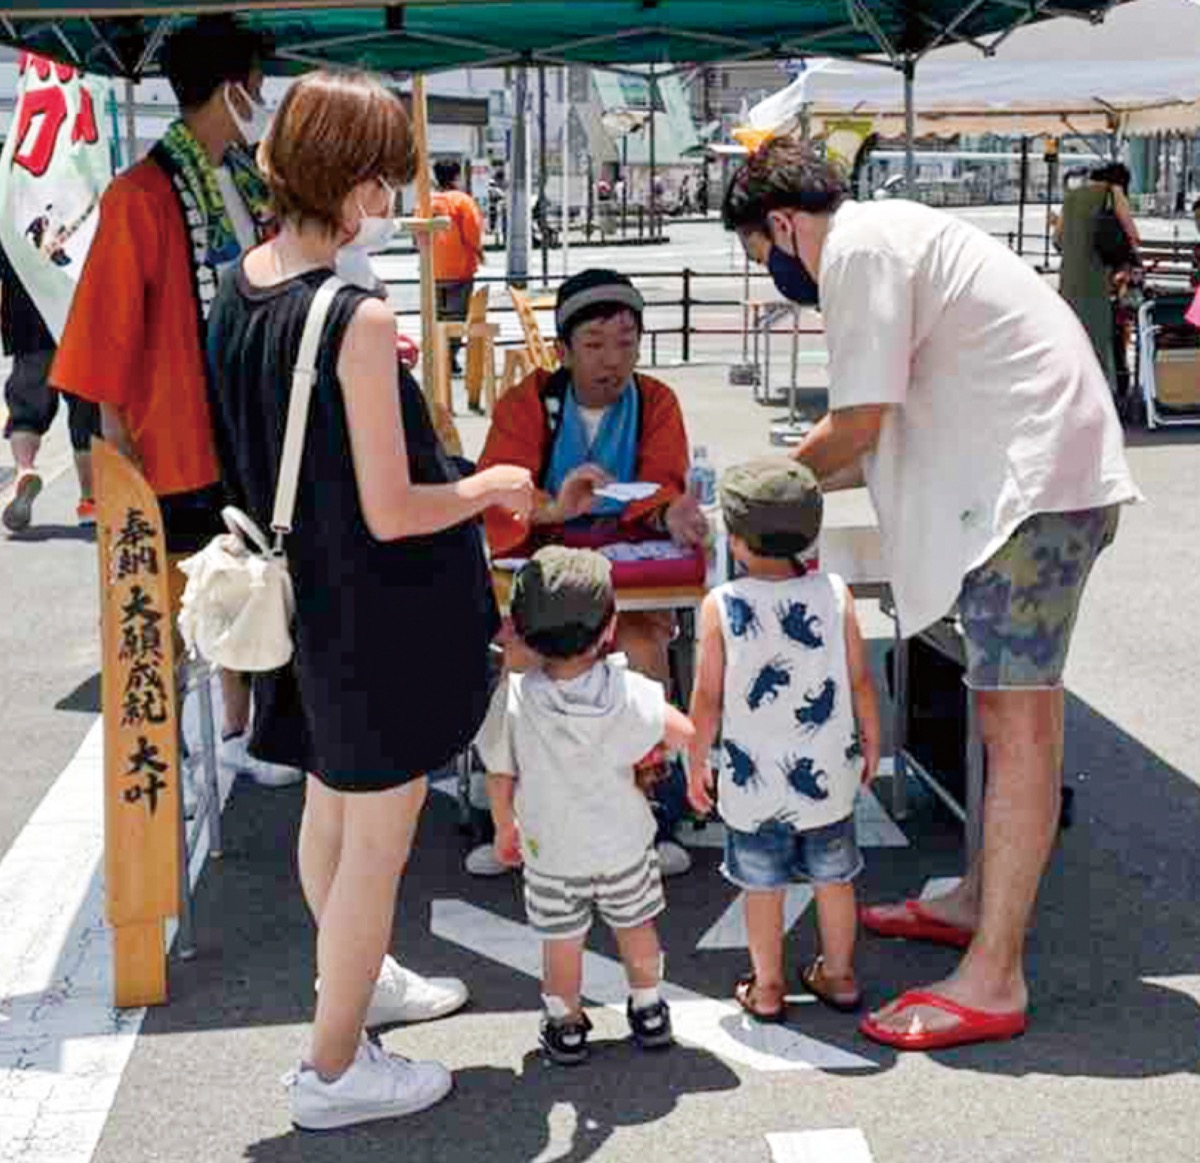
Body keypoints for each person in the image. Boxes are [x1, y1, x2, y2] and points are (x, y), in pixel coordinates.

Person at [723, 139, 1140, 1051]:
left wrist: (744, 496)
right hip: (1037, 484)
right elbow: (875, 427)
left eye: (763, 254)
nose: (774, 272)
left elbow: (858, 423)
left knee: (1018, 728)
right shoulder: (890, 233)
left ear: (784, 225)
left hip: (1035, 492)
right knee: (1000, 713)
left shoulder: (860, 249)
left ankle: (995, 975)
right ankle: (975, 901)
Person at [205, 69, 534, 1129]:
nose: (395, 198)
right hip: (374, 604)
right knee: (377, 835)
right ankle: (334, 1068)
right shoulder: (351, 312)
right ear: (349, 180)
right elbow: (393, 507)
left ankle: (363, 985)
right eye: (385, 178)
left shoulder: (243, 281)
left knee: (331, 807)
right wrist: (488, 485)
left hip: (306, 599)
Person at [52, 16, 299, 787]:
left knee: (250, 586)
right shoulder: (142, 194)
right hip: (176, 442)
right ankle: (179, 757)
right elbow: (104, 341)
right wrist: (117, 463)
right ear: (231, 90)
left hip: (246, 428)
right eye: (257, 88)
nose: (264, 99)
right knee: (174, 611)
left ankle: (240, 730)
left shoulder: (254, 183)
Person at [469, 269, 709, 878]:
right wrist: (555, 506)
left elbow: (665, 484)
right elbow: (498, 492)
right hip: (544, 559)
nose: (613, 359)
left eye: (626, 341)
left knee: (641, 651)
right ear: (563, 350)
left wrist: (675, 514)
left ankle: (651, 812)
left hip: (630, 565)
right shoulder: (527, 403)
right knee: (525, 661)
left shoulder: (657, 401)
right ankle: (512, 818)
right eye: (596, 343)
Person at [476, 546, 694, 1065]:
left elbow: (500, 774)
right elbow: (682, 732)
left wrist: (505, 827)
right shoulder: (629, 691)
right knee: (636, 928)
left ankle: (566, 1023)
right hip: (624, 844)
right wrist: (649, 747)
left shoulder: (513, 698)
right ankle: (648, 1008)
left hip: (550, 851)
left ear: (521, 632)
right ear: (610, 627)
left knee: (562, 942)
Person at [687, 459, 881, 1022]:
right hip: (829, 776)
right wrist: (871, 737)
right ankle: (839, 976)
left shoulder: (721, 606)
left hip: (752, 785)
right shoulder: (836, 594)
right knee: (835, 879)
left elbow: (707, 699)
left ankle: (768, 987)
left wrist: (696, 759)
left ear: (738, 541)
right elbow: (860, 678)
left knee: (762, 887)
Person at [1, 242, 99, 532]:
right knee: (86, 410)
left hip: (26, 316)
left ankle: (25, 468)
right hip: (76, 312)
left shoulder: (8, 208)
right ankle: (89, 501)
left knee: (26, 405)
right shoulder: (71, 202)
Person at [1056, 162, 1140, 393]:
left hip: (1070, 278)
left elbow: (1058, 239)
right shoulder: (1112, 192)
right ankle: (1103, 389)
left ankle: (1073, 386)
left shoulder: (1071, 196)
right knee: (1099, 333)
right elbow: (1132, 234)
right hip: (1097, 276)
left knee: (1074, 333)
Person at [430, 158, 484, 392]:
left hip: (433, 268)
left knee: (439, 316)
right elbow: (473, 232)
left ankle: (439, 358)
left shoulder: (427, 200)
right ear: (456, 177)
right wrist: (479, 252)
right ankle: (449, 358)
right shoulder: (463, 201)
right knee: (456, 317)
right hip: (460, 268)